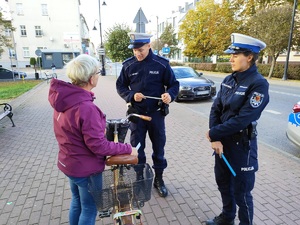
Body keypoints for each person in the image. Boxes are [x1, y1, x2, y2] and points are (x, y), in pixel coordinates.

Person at [48, 54, 137, 225]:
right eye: (98, 72)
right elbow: (99, 146)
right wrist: (127, 148)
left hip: (69, 163)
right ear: (91, 78)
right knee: (89, 209)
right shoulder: (86, 107)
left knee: (77, 202)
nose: (99, 75)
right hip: (86, 168)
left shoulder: (63, 99)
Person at [206, 33, 270, 225]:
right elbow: (215, 108)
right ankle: (227, 218)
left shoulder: (258, 84)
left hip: (242, 146)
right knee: (223, 184)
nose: (231, 59)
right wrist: (215, 138)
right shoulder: (229, 79)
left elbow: (244, 119)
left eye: (236, 55)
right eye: (231, 55)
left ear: (249, 57)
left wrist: (214, 133)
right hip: (222, 143)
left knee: (241, 192)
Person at [116, 32, 179, 197]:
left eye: (141, 49)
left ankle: (159, 179)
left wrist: (170, 95)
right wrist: (131, 96)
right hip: (137, 116)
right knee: (137, 149)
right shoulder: (128, 66)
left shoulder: (161, 64)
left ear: (149, 46)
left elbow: (174, 84)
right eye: (135, 50)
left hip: (156, 115)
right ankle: (139, 180)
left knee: (159, 148)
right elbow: (120, 86)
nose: (137, 53)